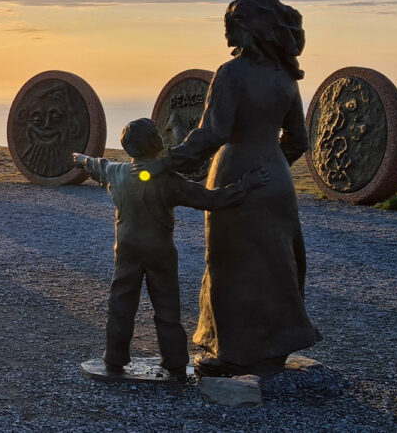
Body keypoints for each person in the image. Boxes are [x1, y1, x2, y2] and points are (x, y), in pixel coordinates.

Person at [134, 0, 320, 376]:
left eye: (231, 27)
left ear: (249, 28)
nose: (227, 38)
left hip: (234, 170)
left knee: (230, 263)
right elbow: (298, 140)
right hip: (277, 180)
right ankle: (275, 347)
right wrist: (273, 167)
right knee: (278, 263)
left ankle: (234, 353)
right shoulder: (285, 77)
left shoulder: (231, 73)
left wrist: (167, 162)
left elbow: (211, 134)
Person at [74, 119, 268, 379]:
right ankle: (175, 362)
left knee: (121, 305)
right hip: (160, 253)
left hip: (127, 250)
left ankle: (115, 357)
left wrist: (79, 158)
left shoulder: (117, 173)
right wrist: (246, 185)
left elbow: (96, 164)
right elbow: (211, 199)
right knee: (166, 309)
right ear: (157, 143)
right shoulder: (168, 181)